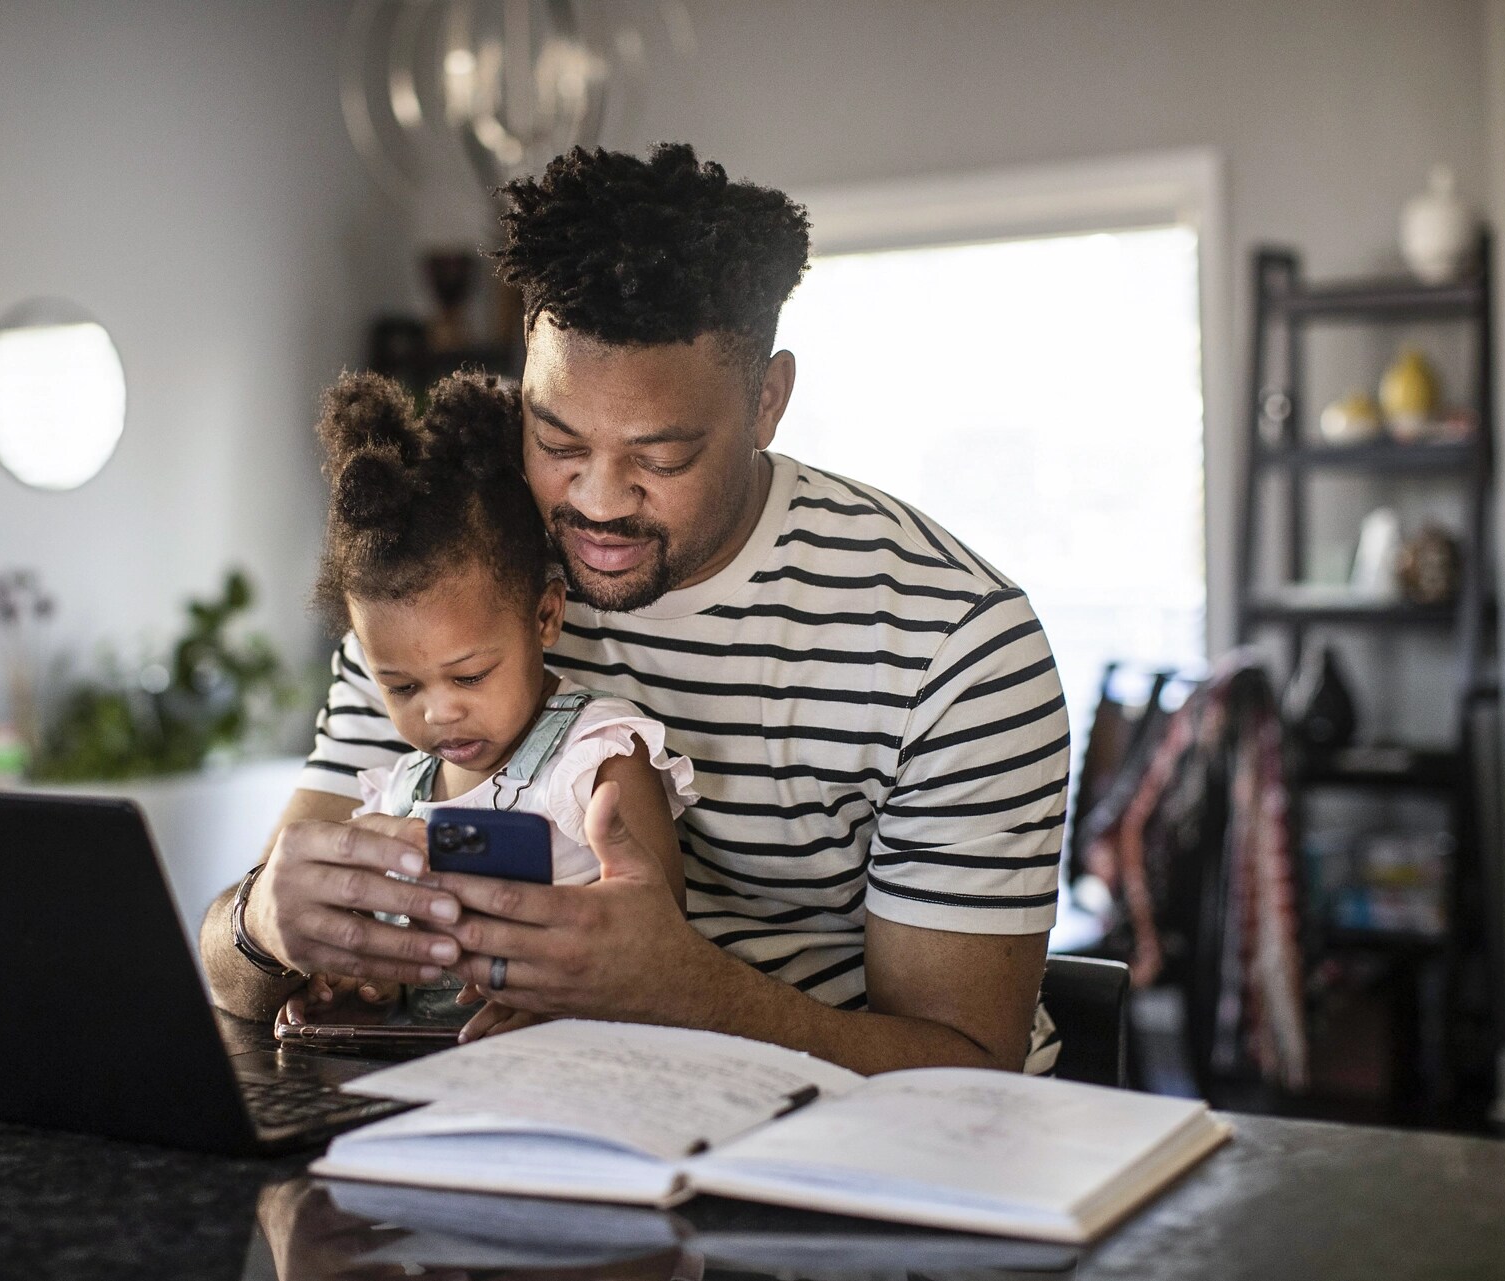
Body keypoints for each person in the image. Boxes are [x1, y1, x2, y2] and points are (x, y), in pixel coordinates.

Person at [202, 143, 1071, 1076]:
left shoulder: (953, 644)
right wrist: (264, 923)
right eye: (556, 438)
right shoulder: (452, 586)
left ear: (768, 399)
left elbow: (969, 1076)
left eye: (661, 458)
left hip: (836, 1157)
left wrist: (681, 991)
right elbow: (231, 974)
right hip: (520, 1116)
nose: (600, 502)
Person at [283, 369, 694, 1041]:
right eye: (403, 687)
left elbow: (658, 951)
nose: (438, 713)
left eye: (468, 676)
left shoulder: (598, 760)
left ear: (545, 616)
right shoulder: (396, 797)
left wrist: (564, 999)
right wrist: (359, 985)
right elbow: (388, 959)